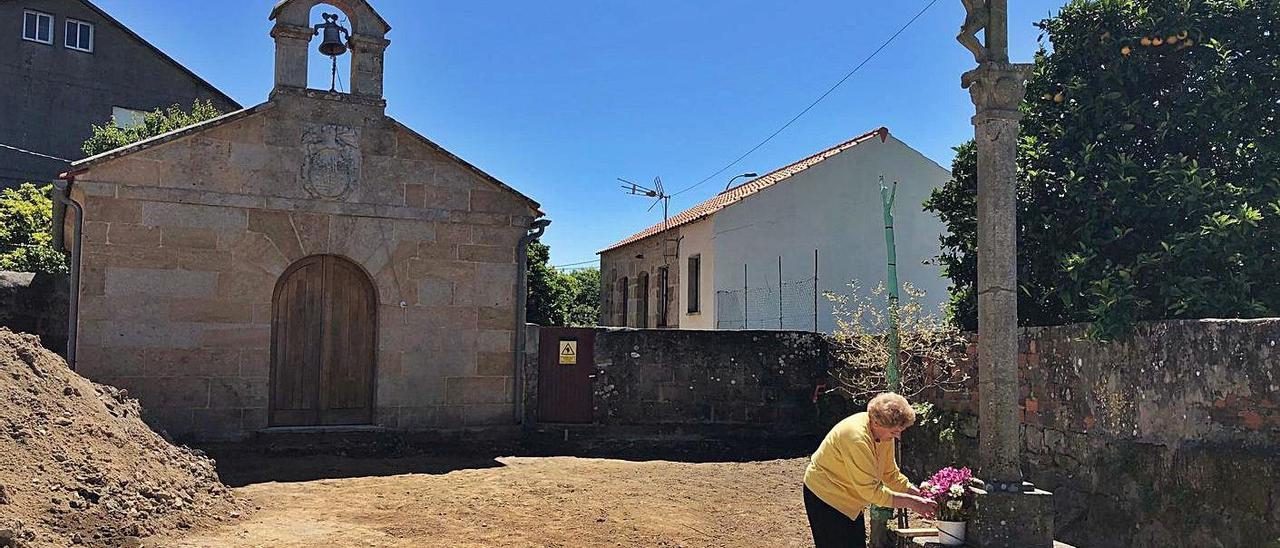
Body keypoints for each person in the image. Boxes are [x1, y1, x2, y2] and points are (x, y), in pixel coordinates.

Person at [802, 392, 937, 548]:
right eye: (894, 431)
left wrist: (918, 494)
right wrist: (912, 503)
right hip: (826, 496)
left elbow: (890, 474)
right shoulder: (856, 438)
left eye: (900, 430)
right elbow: (872, 492)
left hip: (851, 500)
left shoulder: (884, 435)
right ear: (876, 423)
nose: (898, 436)